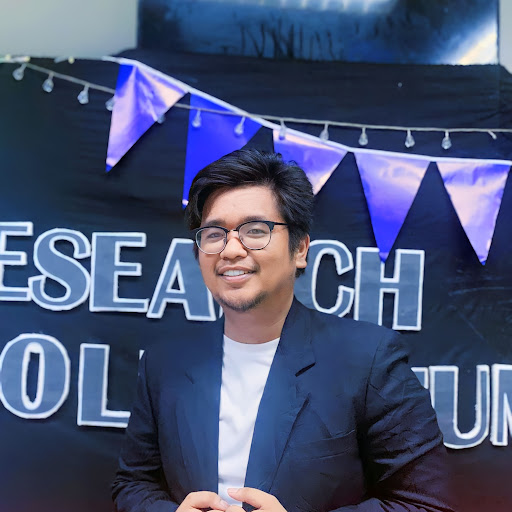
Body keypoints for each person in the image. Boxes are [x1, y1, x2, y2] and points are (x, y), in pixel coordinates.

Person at [112, 149, 454, 512]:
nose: (231, 250)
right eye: (214, 233)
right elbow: (133, 483)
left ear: (300, 248)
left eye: (255, 231)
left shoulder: (369, 360)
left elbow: (427, 503)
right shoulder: (164, 363)